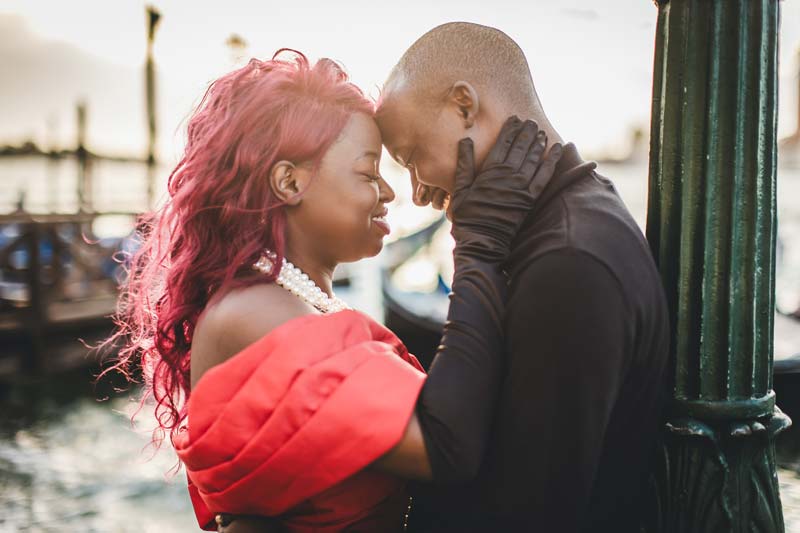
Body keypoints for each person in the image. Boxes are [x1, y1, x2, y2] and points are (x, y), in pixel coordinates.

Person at [101, 49, 561, 532]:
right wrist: (479, 246)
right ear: (288, 181)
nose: (389, 193)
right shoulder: (253, 313)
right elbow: (447, 444)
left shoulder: (284, 304)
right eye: (367, 173)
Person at [373, 22, 671, 532]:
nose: (418, 194)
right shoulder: (566, 216)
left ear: (465, 107)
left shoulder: (570, 263)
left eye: (412, 158)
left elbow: (530, 510)